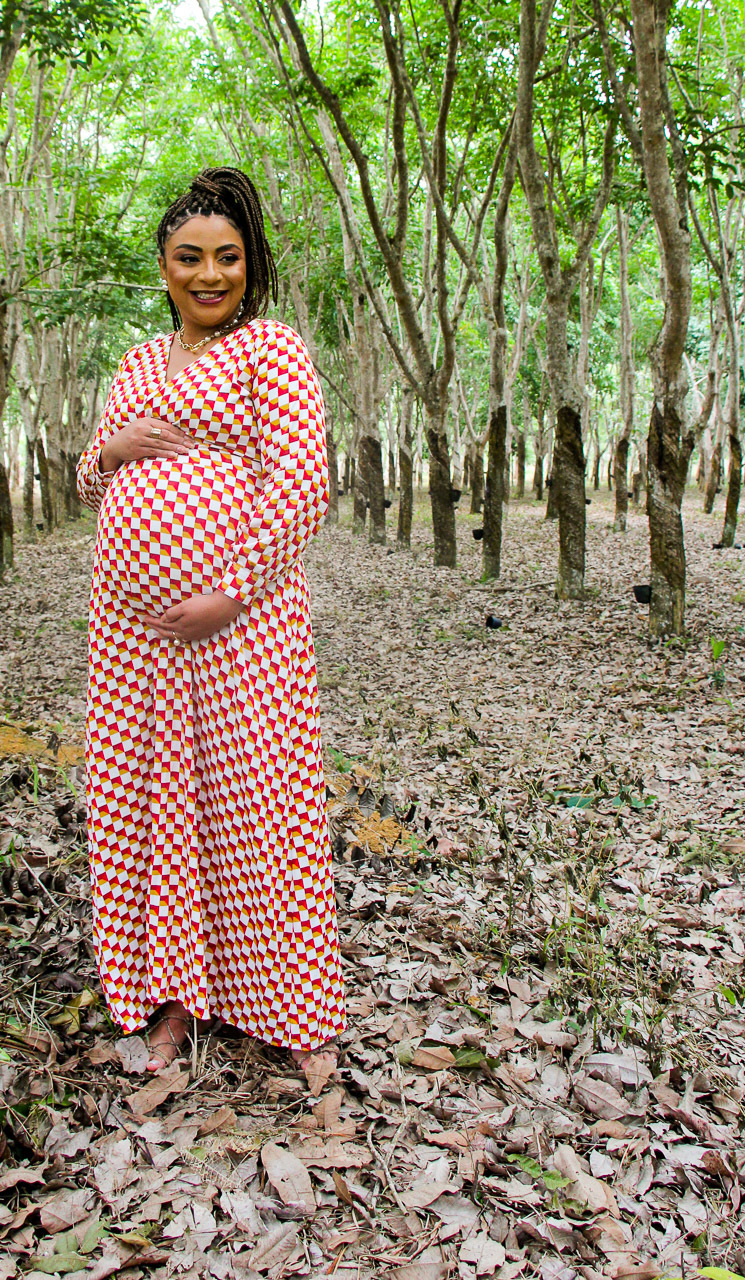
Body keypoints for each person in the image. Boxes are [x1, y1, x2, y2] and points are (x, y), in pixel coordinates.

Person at [76, 167, 345, 1075]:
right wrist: (106, 451)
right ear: (163, 267)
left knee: (256, 804)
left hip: (243, 624)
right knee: (150, 810)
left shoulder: (272, 348)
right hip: (130, 638)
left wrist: (230, 589)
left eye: (227, 258)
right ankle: (171, 1000)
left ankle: (293, 1012)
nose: (209, 274)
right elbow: (92, 475)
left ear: (249, 265)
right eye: (189, 257)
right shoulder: (137, 363)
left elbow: (303, 485)